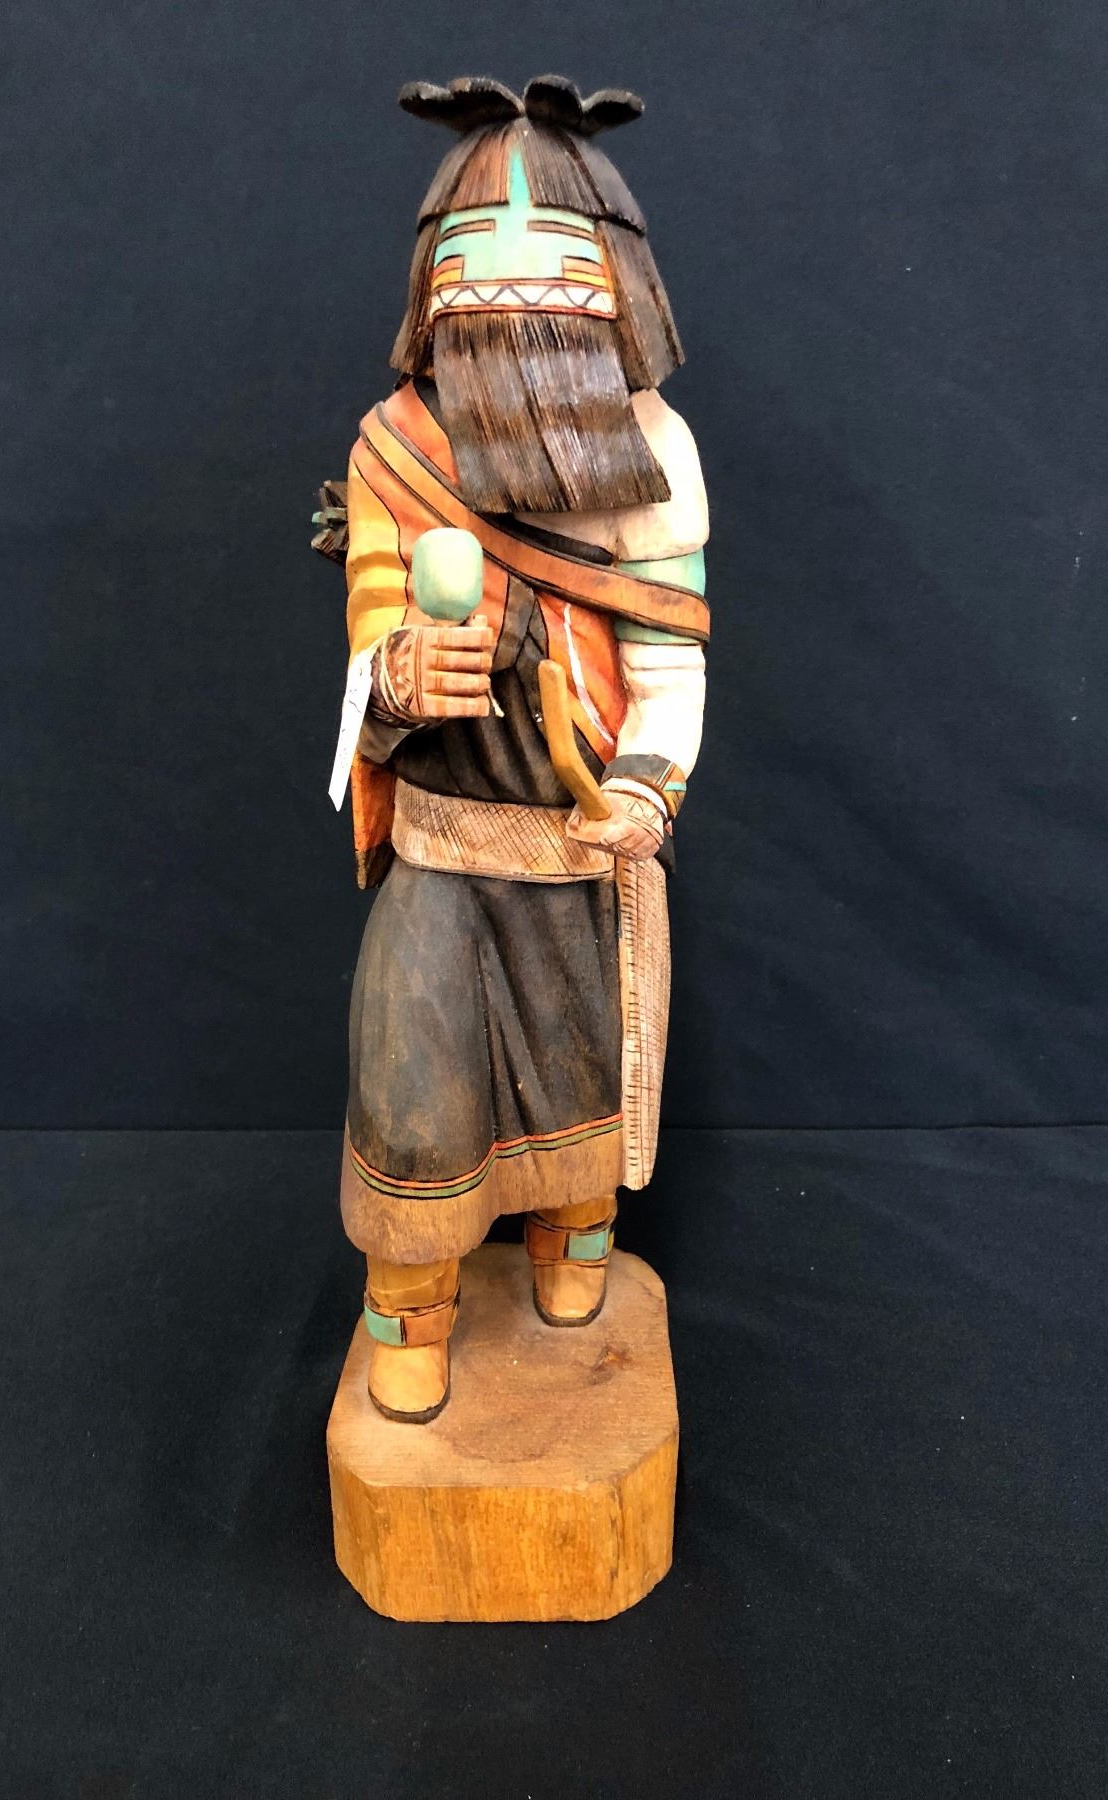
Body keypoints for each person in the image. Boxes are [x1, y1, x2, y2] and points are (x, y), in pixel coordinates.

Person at [315, 75, 709, 1421]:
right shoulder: (396, 448)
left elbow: (668, 668)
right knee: (411, 1086)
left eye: (549, 262)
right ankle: (411, 1307)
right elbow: (371, 640)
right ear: (433, 283)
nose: (511, 296)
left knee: (577, 1079)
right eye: (476, 262)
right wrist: (399, 677)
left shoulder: (655, 450)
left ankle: (570, 1241)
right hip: (442, 856)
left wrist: (644, 794)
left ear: (614, 277)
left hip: (577, 849)